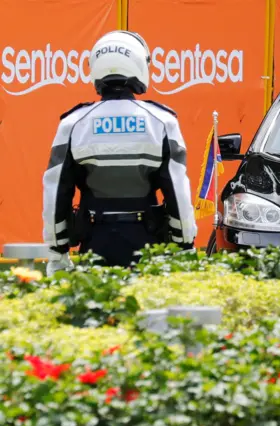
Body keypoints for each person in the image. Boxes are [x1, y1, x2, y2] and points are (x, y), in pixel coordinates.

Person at [42, 30, 197, 275]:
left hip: (93, 240)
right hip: (148, 242)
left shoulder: (73, 123)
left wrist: (57, 250)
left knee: (95, 308)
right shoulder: (162, 121)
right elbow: (178, 192)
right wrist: (184, 244)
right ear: (139, 64)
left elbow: (56, 192)